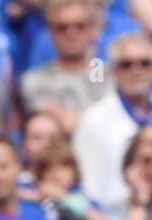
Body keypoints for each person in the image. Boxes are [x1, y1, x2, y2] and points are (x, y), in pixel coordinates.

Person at [71, 33, 152, 207]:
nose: (136, 71)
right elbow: (89, 187)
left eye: (145, 63)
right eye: (126, 65)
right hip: (119, 218)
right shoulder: (94, 120)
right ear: (113, 71)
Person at [18, 0, 110, 134]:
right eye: (62, 27)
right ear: (50, 32)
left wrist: (63, 116)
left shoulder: (107, 75)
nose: (71, 34)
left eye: (79, 26)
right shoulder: (35, 80)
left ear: (92, 29)